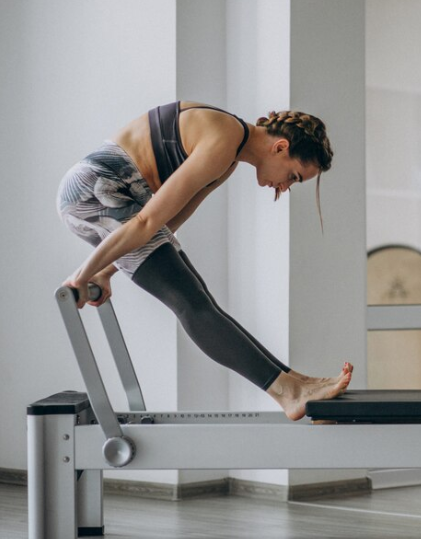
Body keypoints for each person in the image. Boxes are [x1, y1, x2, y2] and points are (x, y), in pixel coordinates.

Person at [57, 101, 352, 421]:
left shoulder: (228, 155)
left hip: (119, 194)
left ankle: (292, 381)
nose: (285, 187)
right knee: (189, 303)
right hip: (95, 188)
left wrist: (105, 272)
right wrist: (83, 275)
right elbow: (145, 222)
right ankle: (288, 391)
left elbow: (165, 224)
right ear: (280, 147)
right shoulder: (223, 140)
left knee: (200, 299)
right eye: (293, 176)